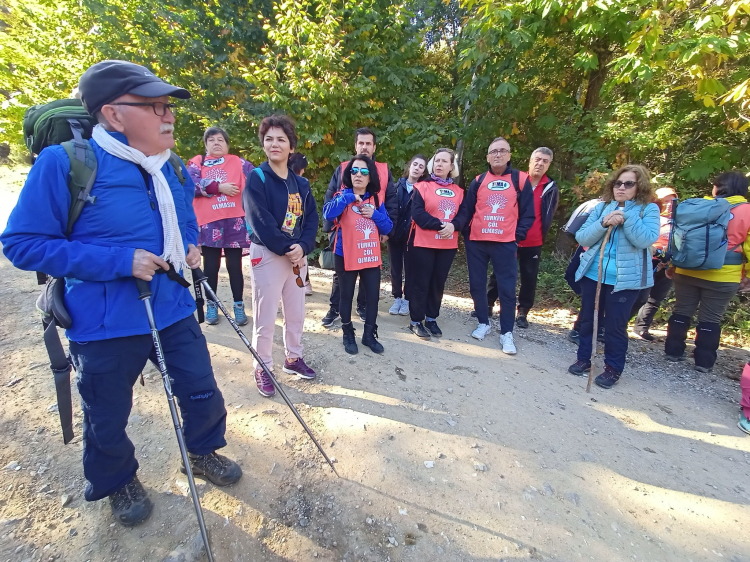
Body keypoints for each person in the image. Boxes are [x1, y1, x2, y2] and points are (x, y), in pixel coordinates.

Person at [1, 60, 242, 526]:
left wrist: (188, 244)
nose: (168, 115)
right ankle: (118, 481)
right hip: (103, 322)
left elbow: (186, 217)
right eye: (155, 106)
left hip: (172, 307)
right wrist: (118, 261)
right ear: (113, 114)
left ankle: (201, 451)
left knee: (201, 391)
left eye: (168, 106)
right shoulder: (66, 164)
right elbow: (22, 244)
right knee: (107, 414)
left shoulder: (172, 166)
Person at [243, 115, 319, 397]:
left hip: (297, 257)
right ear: (263, 144)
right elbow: (259, 221)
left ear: (291, 146)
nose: (274, 144)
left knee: (296, 312)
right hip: (268, 255)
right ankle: (262, 366)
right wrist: (288, 249)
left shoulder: (301, 184)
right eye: (269, 139)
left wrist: (304, 247)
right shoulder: (258, 178)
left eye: (281, 139)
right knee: (265, 316)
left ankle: (293, 358)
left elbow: (311, 219)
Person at [568, 165, 659, 389]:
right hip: (594, 275)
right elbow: (583, 237)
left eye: (628, 184)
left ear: (640, 187)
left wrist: (626, 217)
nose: (621, 187)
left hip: (625, 281)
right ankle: (584, 359)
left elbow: (645, 240)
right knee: (588, 319)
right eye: (618, 183)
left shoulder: (648, 210)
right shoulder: (602, 207)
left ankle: (613, 368)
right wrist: (603, 223)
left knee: (615, 325)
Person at [664, 171, 750, 372]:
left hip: (686, 270)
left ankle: (673, 351)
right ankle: (703, 362)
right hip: (724, 275)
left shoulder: (699, 206)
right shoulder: (747, 211)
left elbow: (679, 238)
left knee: (681, 311)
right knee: (711, 318)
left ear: (717, 188)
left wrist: (673, 265)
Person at [460, 137, 535, 354]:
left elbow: (528, 213)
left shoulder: (520, 179)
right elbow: (467, 210)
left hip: (505, 243)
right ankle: (483, 322)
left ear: (509, 155)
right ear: (487, 157)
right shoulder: (478, 180)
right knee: (477, 285)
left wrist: (516, 237)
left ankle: (507, 333)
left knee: (507, 289)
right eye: (493, 151)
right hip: (477, 242)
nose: (498, 155)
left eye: (502, 151)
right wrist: (467, 234)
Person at [320, 127, 397, 327]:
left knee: (367, 269)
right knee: (341, 275)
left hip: (371, 228)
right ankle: (335, 308)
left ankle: (362, 306)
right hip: (344, 230)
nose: (364, 147)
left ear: (374, 147)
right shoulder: (344, 168)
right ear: (355, 145)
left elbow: (390, 200)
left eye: (368, 143)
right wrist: (329, 228)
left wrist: (386, 230)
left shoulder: (383, 170)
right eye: (361, 143)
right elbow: (330, 195)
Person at [484, 147, 559, 328]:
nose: (540, 164)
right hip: (510, 236)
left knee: (529, 277)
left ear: (549, 165)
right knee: (499, 272)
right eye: (537, 159)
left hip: (533, 240)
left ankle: (523, 312)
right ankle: (488, 304)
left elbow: (548, 214)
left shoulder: (550, 188)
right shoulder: (517, 180)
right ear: (530, 161)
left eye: (545, 161)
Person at [188, 127, 254, 325]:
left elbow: (258, 178)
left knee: (235, 266)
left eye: (220, 140)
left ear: (227, 144)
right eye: (211, 140)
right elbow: (190, 184)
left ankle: (239, 305)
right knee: (211, 266)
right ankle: (212, 305)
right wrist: (219, 187)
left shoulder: (239, 162)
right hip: (209, 222)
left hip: (234, 221)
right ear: (205, 144)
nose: (216, 143)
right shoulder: (198, 162)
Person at [407, 148, 465, 338]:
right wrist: (442, 225)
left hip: (447, 246)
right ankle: (416, 321)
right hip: (423, 243)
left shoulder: (459, 192)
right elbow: (418, 213)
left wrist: (454, 225)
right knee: (420, 282)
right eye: (437, 161)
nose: (439, 164)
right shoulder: (422, 186)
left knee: (438, 283)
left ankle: (431, 318)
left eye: (444, 161)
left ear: (451, 167)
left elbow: (464, 215)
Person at [629, 187, 678, 340]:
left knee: (656, 297)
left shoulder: (679, 222)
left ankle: (642, 328)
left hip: (669, 262)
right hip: (649, 259)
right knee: (639, 295)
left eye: (672, 201)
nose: (669, 204)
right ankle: (616, 323)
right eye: (666, 201)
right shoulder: (649, 217)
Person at [388, 154, 427, 316]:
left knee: (411, 269)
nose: (417, 168)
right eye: (415, 164)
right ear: (409, 166)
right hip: (395, 235)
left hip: (413, 236)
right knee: (395, 268)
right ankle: (397, 297)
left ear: (424, 172)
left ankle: (407, 299)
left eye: (421, 167)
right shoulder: (396, 187)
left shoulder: (424, 190)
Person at [288, 152, 313, 296]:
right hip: (292, 225)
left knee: (301, 253)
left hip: (299, 224)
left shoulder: (303, 183)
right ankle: (304, 281)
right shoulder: (296, 182)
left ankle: (304, 281)